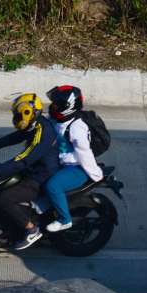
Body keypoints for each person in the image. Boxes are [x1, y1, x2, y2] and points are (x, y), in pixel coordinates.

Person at [0, 93, 59, 250]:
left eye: (19, 114)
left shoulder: (42, 132)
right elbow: (13, 138)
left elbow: (23, 160)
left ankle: (32, 230)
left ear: (28, 112)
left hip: (40, 177)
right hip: (32, 170)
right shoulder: (34, 124)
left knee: (6, 198)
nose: (17, 118)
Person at [43, 85, 103, 233]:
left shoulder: (77, 127)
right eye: (54, 103)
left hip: (77, 168)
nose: (54, 106)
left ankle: (65, 220)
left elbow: (84, 153)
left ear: (68, 107)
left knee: (53, 186)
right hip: (61, 164)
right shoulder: (58, 121)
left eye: (57, 104)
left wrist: (95, 174)